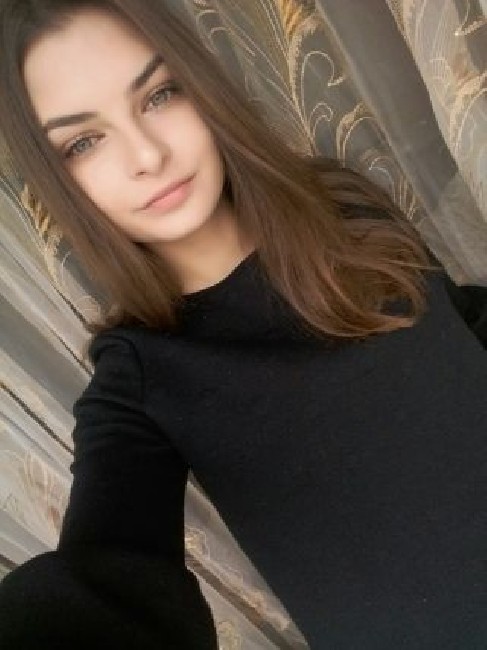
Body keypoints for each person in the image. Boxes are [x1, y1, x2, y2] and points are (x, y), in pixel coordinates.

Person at [0, 1, 485, 648]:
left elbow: (456, 323)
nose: (147, 154)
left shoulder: (339, 201)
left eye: (159, 94)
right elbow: (104, 572)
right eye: (83, 142)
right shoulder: (139, 381)